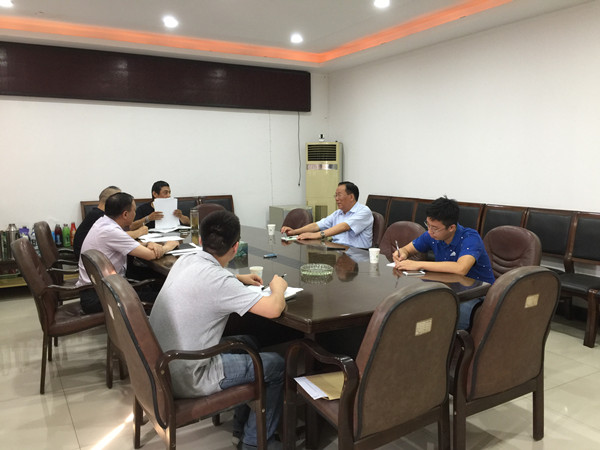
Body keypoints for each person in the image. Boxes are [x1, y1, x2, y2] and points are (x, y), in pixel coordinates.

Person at [149, 210, 287, 450]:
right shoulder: (220, 282)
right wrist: (279, 288)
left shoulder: (188, 259)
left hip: (164, 364)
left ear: (201, 240)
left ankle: (240, 429)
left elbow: (212, 280)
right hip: (189, 374)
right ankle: (255, 443)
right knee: (275, 365)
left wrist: (238, 278)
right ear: (236, 247)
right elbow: (274, 309)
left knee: (249, 342)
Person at [393, 196, 495, 329]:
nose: (430, 231)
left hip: (478, 293)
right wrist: (401, 253)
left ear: (451, 227)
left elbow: (461, 268)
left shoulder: (470, 237)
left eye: (435, 228)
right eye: (428, 225)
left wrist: (418, 264)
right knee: (415, 304)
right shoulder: (432, 235)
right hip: (450, 288)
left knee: (450, 317)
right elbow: (407, 249)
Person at [76, 192, 179, 314]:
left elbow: (128, 244)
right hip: (100, 296)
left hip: (98, 288)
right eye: (134, 211)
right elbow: (150, 255)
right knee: (164, 298)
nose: (135, 214)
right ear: (125, 214)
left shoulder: (102, 222)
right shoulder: (111, 231)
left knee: (154, 281)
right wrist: (168, 246)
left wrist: (148, 244)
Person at [281, 181, 373, 248]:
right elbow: (316, 225)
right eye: (335, 195)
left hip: (357, 253)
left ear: (351, 197)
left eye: (339, 195)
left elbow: (345, 226)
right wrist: (294, 232)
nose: (336, 199)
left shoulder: (364, 211)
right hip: (337, 249)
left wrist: (315, 235)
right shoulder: (338, 213)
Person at [73, 186, 148, 259]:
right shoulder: (101, 217)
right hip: (91, 260)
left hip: (92, 258)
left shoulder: (96, 214)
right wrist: (140, 232)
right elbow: (118, 236)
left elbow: (123, 232)